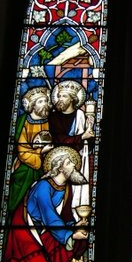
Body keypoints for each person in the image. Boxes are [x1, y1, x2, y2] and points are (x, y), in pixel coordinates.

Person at [1, 147, 89, 262]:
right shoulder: (43, 186)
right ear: (59, 166)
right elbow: (49, 217)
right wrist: (71, 235)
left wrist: (74, 226)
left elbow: (60, 219)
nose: (74, 165)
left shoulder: (65, 188)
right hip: (26, 233)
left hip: (45, 232)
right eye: (69, 162)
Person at [7, 86, 53, 214]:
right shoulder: (23, 122)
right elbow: (22, 152)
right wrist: (41, 152)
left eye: (45, 100)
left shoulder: (49, 121)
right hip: (26, 167)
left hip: (45, 165)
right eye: (40, 101)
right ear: (32, 105)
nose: (44, 104)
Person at [49, 80, 94, 209]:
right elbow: (59, 139)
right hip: (58, 160)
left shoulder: (80, 115)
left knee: (74, 194)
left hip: (78, 160)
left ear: (72, 99)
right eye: (59, 96)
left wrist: (90, 127)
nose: (60, 99)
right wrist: (82, 137)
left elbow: (88, 145)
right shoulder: (54, 117)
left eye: (64, 96)